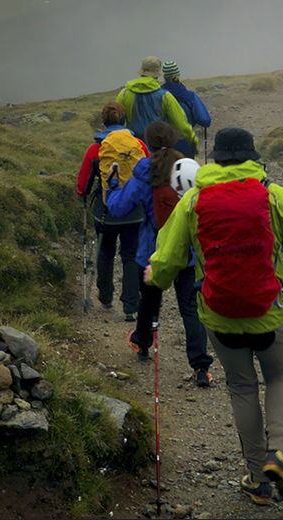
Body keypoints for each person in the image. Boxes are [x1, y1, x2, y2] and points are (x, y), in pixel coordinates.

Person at [144, 127, 283, 505]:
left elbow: (168, 259)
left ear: (217, 161)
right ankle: (279, 454)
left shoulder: (193, 201)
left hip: (218, 315)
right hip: (268, 314)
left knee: (241, 386)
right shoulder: (274, 196)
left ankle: (258, 480)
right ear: (252, 158)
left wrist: (153, 275)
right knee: (279, 376)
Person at [105, 121, 213, 387]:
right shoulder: (189, 169)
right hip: (187, 253)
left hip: (153, 253)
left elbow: (118, 209)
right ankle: (201, 367)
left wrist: (112, 185)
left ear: (148, 144)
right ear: (175, 139)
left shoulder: (145, 173)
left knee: (150, 302)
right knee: (190, 308)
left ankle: (142, 343)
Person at [76, 101, 149, 321]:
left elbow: (83, 184)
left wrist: (83, 196)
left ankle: (105, 297)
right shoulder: (138, 145)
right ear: (124, 120)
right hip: (135, 210)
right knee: (130, 255)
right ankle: (130, 306)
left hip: (106, 211)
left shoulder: (96, 148)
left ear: (103, 122)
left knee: (106, 252)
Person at [116, 56, 199, 157]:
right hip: (156, 152)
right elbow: (181, 124)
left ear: (141, 72)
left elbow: (116, 121)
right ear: (157, 75)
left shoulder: (124, 94)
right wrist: (192, 140)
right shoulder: (165, 96)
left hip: (132, 150)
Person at [161, 60, 212, 159]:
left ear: (165, 77)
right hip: (185, 146)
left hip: (162, 146)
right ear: (178, 76)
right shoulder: (189, 96)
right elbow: (205, 120)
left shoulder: (158, 96)